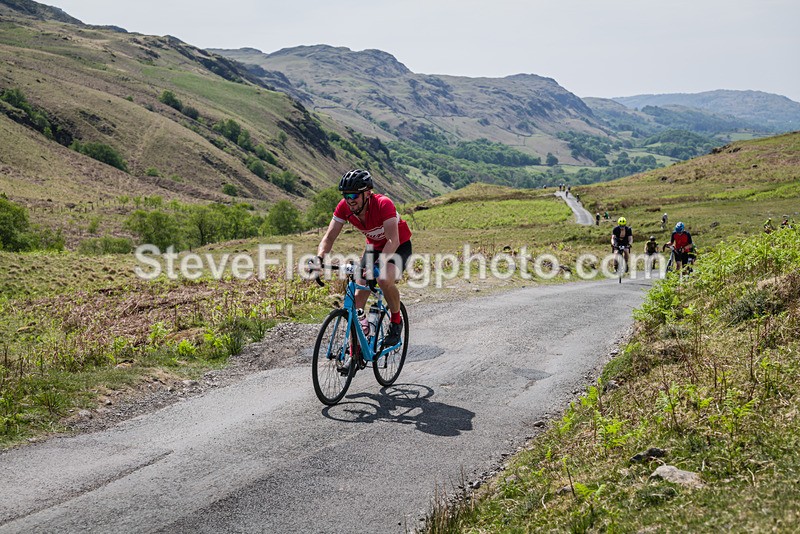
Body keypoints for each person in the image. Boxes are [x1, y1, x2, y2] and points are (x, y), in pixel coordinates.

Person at [313, 169, 412, 349]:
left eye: (354, 195)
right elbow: (329, 237)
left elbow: (393, 239)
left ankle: (396, 322)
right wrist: (320, 258)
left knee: (383, 278)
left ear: (367, 193)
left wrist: (377, 265)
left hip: (398, 246)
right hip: (373, 248)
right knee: (358, 294)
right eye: (346, 195)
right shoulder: (344, 207)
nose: (350, 200)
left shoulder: (383, 204)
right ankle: (356, 345)